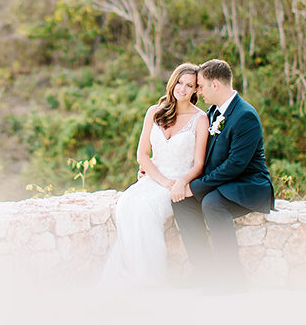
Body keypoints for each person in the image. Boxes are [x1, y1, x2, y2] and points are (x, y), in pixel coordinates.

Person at [170, 59, 275, 293]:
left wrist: (196, 187)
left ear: (215, 85)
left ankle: (233, 279)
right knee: (180, 201)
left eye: (200, 86)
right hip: (223, 182)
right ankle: (205, 272)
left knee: (212, 204)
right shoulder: (213, 112)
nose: (198, 91)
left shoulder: (245, 115)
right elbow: (198, 153)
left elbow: (235, 165)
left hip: (249, 185)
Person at [101, 63, 209, 286]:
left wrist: (179, 183)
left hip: (179, 182)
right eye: (179, 82)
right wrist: (160, 180)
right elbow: (142, 155)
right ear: (173, 82)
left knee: (146, 211)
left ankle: (149, 279)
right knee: (126, 205)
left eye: (189, 85)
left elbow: (199, 164)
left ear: (196, 90)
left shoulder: (201, 119)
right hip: (154, 178)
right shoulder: (154, 111)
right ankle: (130, 274)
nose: (182, 88)